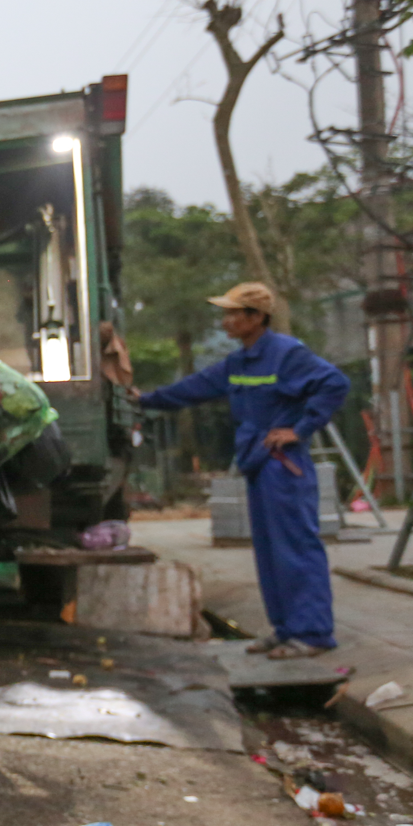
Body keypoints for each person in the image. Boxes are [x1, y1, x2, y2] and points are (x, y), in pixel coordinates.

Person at [138, 282, 350, 659]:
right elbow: (195, 388)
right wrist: (143, 400)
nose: (225, 321)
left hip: (283, 466)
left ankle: (313, 634)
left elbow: (334, 383)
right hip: (258, 464)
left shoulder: (286, 353)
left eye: (233, 313)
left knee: (296, 549)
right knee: (270, 552)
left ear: (256, 318)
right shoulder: (239, 362)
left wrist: (299, 430)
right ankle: (285, 629)